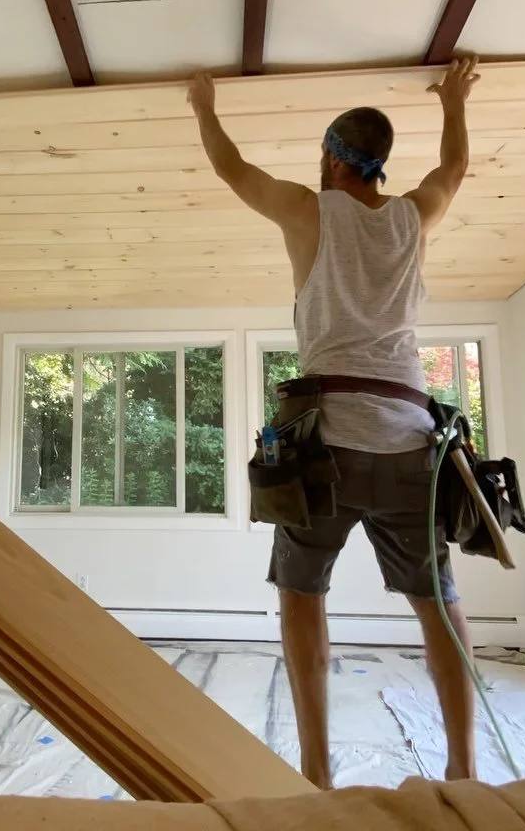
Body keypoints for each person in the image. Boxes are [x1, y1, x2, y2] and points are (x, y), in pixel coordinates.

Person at [188, 56, 481, 790]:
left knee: (301, 600)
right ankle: (464, 768)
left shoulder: (309, 209)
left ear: (329, 156)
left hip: (327, 448)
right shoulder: (416, 215)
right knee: (439, 608)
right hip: (412, 442)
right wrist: (452, 100)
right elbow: (455, 165)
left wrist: (203, 105)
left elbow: (232, 170)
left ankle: (317, 774)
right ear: (379, 168)